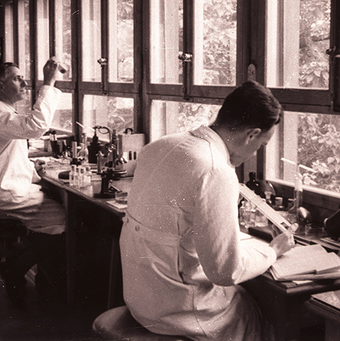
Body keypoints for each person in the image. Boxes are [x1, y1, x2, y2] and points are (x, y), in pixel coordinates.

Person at [119, 81, 295, 341]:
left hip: (141, 298)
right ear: (251, 134)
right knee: (266, 321)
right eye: (260, 145)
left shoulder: (160, 145)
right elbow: (226, 272)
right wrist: (272, 251)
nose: (255, 152)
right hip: (178, 312)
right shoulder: (216, 170)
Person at [0, 58, 66, 307]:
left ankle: (17, 262)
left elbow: (6, 159)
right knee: (61, 219)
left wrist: (37, 172)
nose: (24, 82)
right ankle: (16, 269)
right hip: (2, 195)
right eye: (17, 78)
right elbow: (35, 127)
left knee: (49, 210)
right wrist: (49, 82)